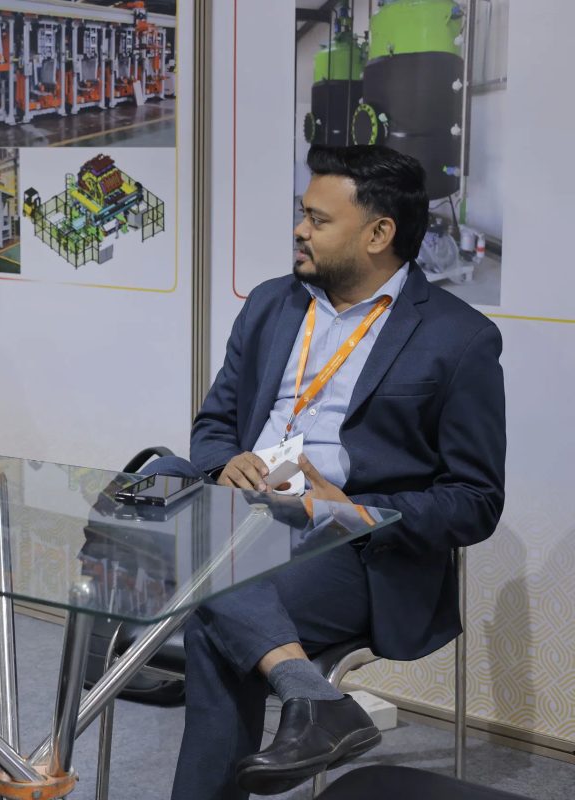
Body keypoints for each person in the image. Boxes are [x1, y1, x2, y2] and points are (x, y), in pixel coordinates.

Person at [146, 144, 505, 798]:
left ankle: (284, 686)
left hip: (354, 546)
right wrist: (227, 464)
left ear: (378, 234)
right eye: (302, 214)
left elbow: (475, 499)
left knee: (210, 612)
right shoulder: (271, 304)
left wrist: (353, 509)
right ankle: (311, 696)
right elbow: (215, 425)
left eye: (317, 219)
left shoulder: (458, 338)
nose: (299, 230)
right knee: (163, 475)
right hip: (243, 515)